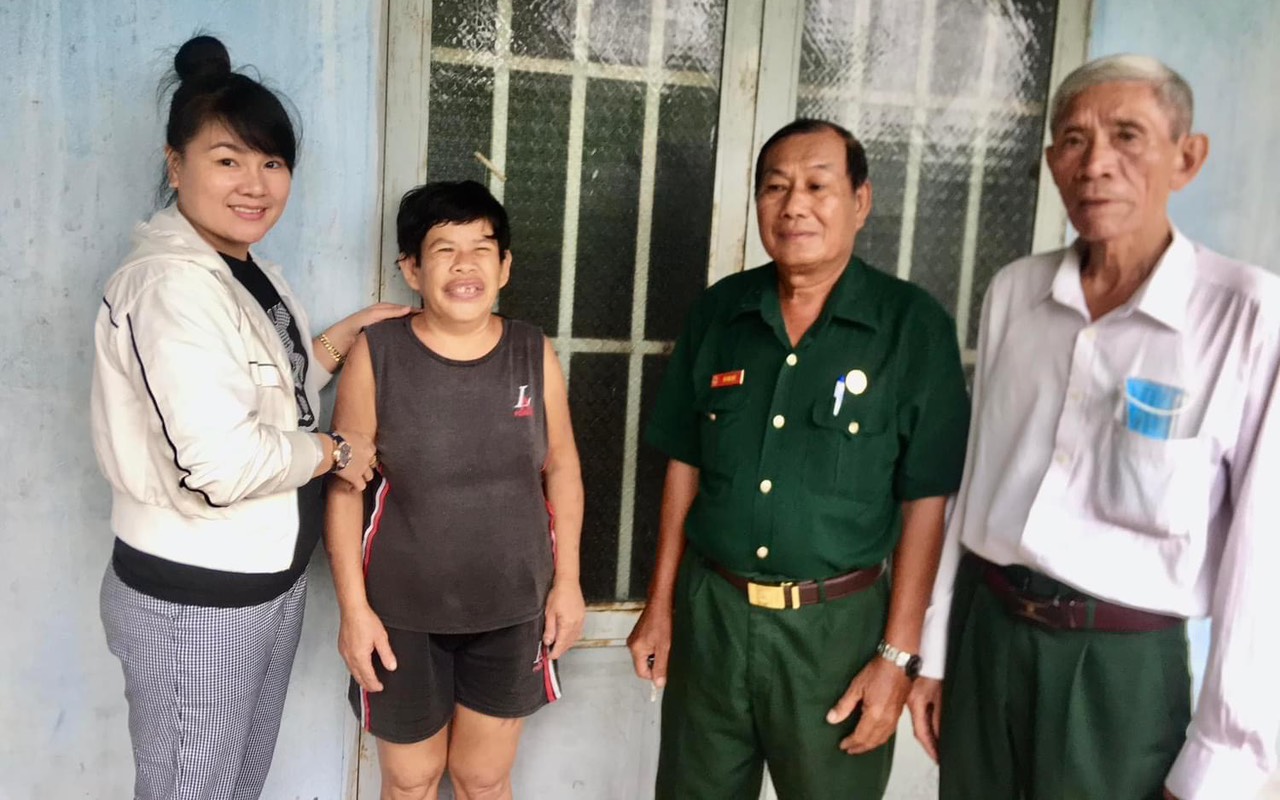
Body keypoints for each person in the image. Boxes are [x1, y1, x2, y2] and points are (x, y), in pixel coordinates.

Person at [909, 54, 1280, 800]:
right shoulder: (1016, 292)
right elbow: (974, 485)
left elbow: (1263, 559)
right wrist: (936, 652)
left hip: (1119, 671)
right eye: (1074, 141)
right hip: (989, 634)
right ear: (1052, 164)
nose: (1096, 164)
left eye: (1127, 136)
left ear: (1187, 157)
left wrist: (1220, 764)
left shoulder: (1248, 317)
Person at [92, 35, 408, 800]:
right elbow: (221, 464)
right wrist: (335, 452)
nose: (255, 185)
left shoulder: (242, 267)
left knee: (233, 785)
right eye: (227, 160)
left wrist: (347, 333)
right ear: (176, 165)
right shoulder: (170, 286)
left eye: (271, 163)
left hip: (261, 583)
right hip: (196, 599)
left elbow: (272, 389)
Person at [626, 118, 971, 799]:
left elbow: (927, 502)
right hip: (713, 619)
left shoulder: (912, 327)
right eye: (776, 188)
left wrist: (898, 657)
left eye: (818, 186)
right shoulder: (720, 313)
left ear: (860, 201)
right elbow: (684, 467)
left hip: (837, 636)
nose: (794, 207)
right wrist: (659, 605)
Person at [324, 180, 586, 800]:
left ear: (505, 267)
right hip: (400, 616)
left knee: (483, 779)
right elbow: (345, 488)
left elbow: (562, 467)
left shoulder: (532, 352)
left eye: (481, 249)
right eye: (444, 250)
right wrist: (354, 611)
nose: (465, 266)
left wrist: (568, 583)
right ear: (411, 270)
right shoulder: (377, 354)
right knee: (411, 781)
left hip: (514, 610)